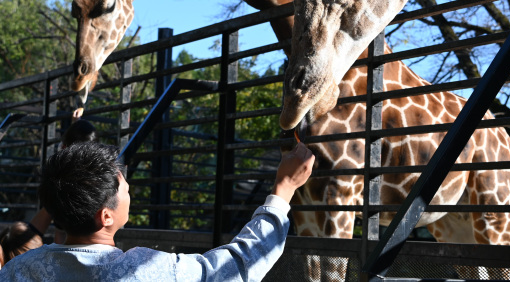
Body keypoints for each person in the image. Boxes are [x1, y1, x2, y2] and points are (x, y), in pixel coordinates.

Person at [0, 140, 315, 281]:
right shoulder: (144, 271)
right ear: (105, 217)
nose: (129, 192)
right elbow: (238, 265)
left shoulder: (17, 271)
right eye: (124, 190)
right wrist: (284, 189)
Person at [0, 117, 98, 268]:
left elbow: (55, 231)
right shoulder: (96, 182)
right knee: (17, 237)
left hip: (69, 258)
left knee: (16, 239)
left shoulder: (61, 185)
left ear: (64, 148)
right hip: (80, 257)